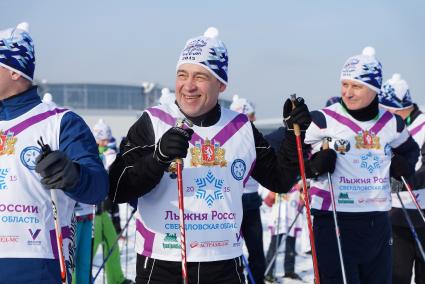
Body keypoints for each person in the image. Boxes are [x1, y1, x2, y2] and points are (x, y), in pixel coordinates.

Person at [109, 27, 333, 284]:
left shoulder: (240, 127)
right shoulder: (154, 121)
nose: (188, 86)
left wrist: (295, 136)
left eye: (201, 77)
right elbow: (117, 189)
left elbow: (280, 179)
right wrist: (157, 159)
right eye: (182, 75)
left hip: (225, 263)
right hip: (163, 263)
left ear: (221, 83)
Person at [0, 23, 108, 283]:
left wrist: (74, 176)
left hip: (34, 259)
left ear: (15, 71)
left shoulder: (61, 122)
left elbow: (99, 187)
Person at [304, 47, 420, 283]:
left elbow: (410, 150)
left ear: (375, 88)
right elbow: (291, 154)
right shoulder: (323, 119)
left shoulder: (392, 123)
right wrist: (314, 166)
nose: (348, 92)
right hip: (333, 220)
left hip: (377, 221)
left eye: (356, 86)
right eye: (344, 85)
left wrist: (403, 167)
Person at [379, 73, 425, 284]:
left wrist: (403, 181)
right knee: (397, 276)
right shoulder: (389, 127)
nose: (383, 114)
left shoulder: (423, 125)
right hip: (396, 215)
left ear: (398, 107)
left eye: (386, 109)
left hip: (422, 212)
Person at [92, 119, 134, 284]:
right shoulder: (90, 152)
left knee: (112, 244)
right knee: (89, 251)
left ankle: (116, 279)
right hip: (91, 212)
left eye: (107, 139)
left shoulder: (109, 152)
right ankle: (77, 279)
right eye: (103, 139)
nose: (105, 142)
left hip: (103, 210)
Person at [229, 95, 266, 284]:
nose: (255, 120)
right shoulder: (231, 139)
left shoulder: (254, 137)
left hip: (251, 199)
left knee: (256, 250)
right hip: (233, 201)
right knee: (232, 250)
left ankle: (256, 280)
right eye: (251, 116)